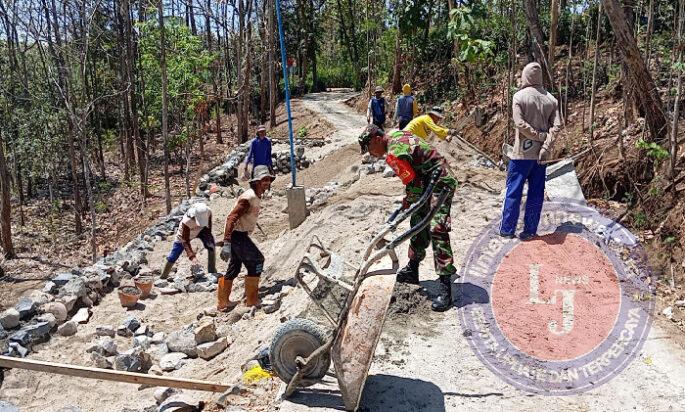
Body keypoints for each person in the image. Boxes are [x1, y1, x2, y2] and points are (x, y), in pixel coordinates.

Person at [358, 125, 458, 312]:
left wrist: (411, 198)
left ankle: (446, 288)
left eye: (370, 148)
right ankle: (412, 269)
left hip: (441, 181)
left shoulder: (394, 153)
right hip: (427, 178)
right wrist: (409, 200)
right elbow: (415, 180)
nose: (371, 153)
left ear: (377, 139)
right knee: (417, 223)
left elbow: (413, 183)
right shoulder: (395, 135)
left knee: (437, 229)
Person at [500, 62, 561, 241]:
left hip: (521, 155)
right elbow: (556, 127)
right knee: (536, 193)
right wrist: (546, 146)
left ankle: (507, 230)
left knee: (514, 191)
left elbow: (519, 123)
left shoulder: (519, 97)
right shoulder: (552, 99)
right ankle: (530, 231)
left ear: (526, 76)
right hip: (541, 157)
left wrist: (538, 136)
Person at [217, 165, 275, 311]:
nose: (267, 183)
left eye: (268, 180)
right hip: (237, 235)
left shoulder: (256, 196)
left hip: (241, 234)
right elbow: (231, 218)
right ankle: (252, 300)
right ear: (256, 182)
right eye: (264, 180)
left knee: (235, 267)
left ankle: (223, 303)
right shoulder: (248, 197)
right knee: (257, 261)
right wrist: (227, 242)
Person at [160, 203, 216, 279]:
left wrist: (208, 239)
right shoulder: (187, 221)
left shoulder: (208, 211)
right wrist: (192, 257)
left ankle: (212, 272)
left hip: (202, 230)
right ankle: (163, 276)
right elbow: (185, 241)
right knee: (174, 254)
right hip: (186, 234)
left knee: (211, 246)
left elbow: (208, 227)